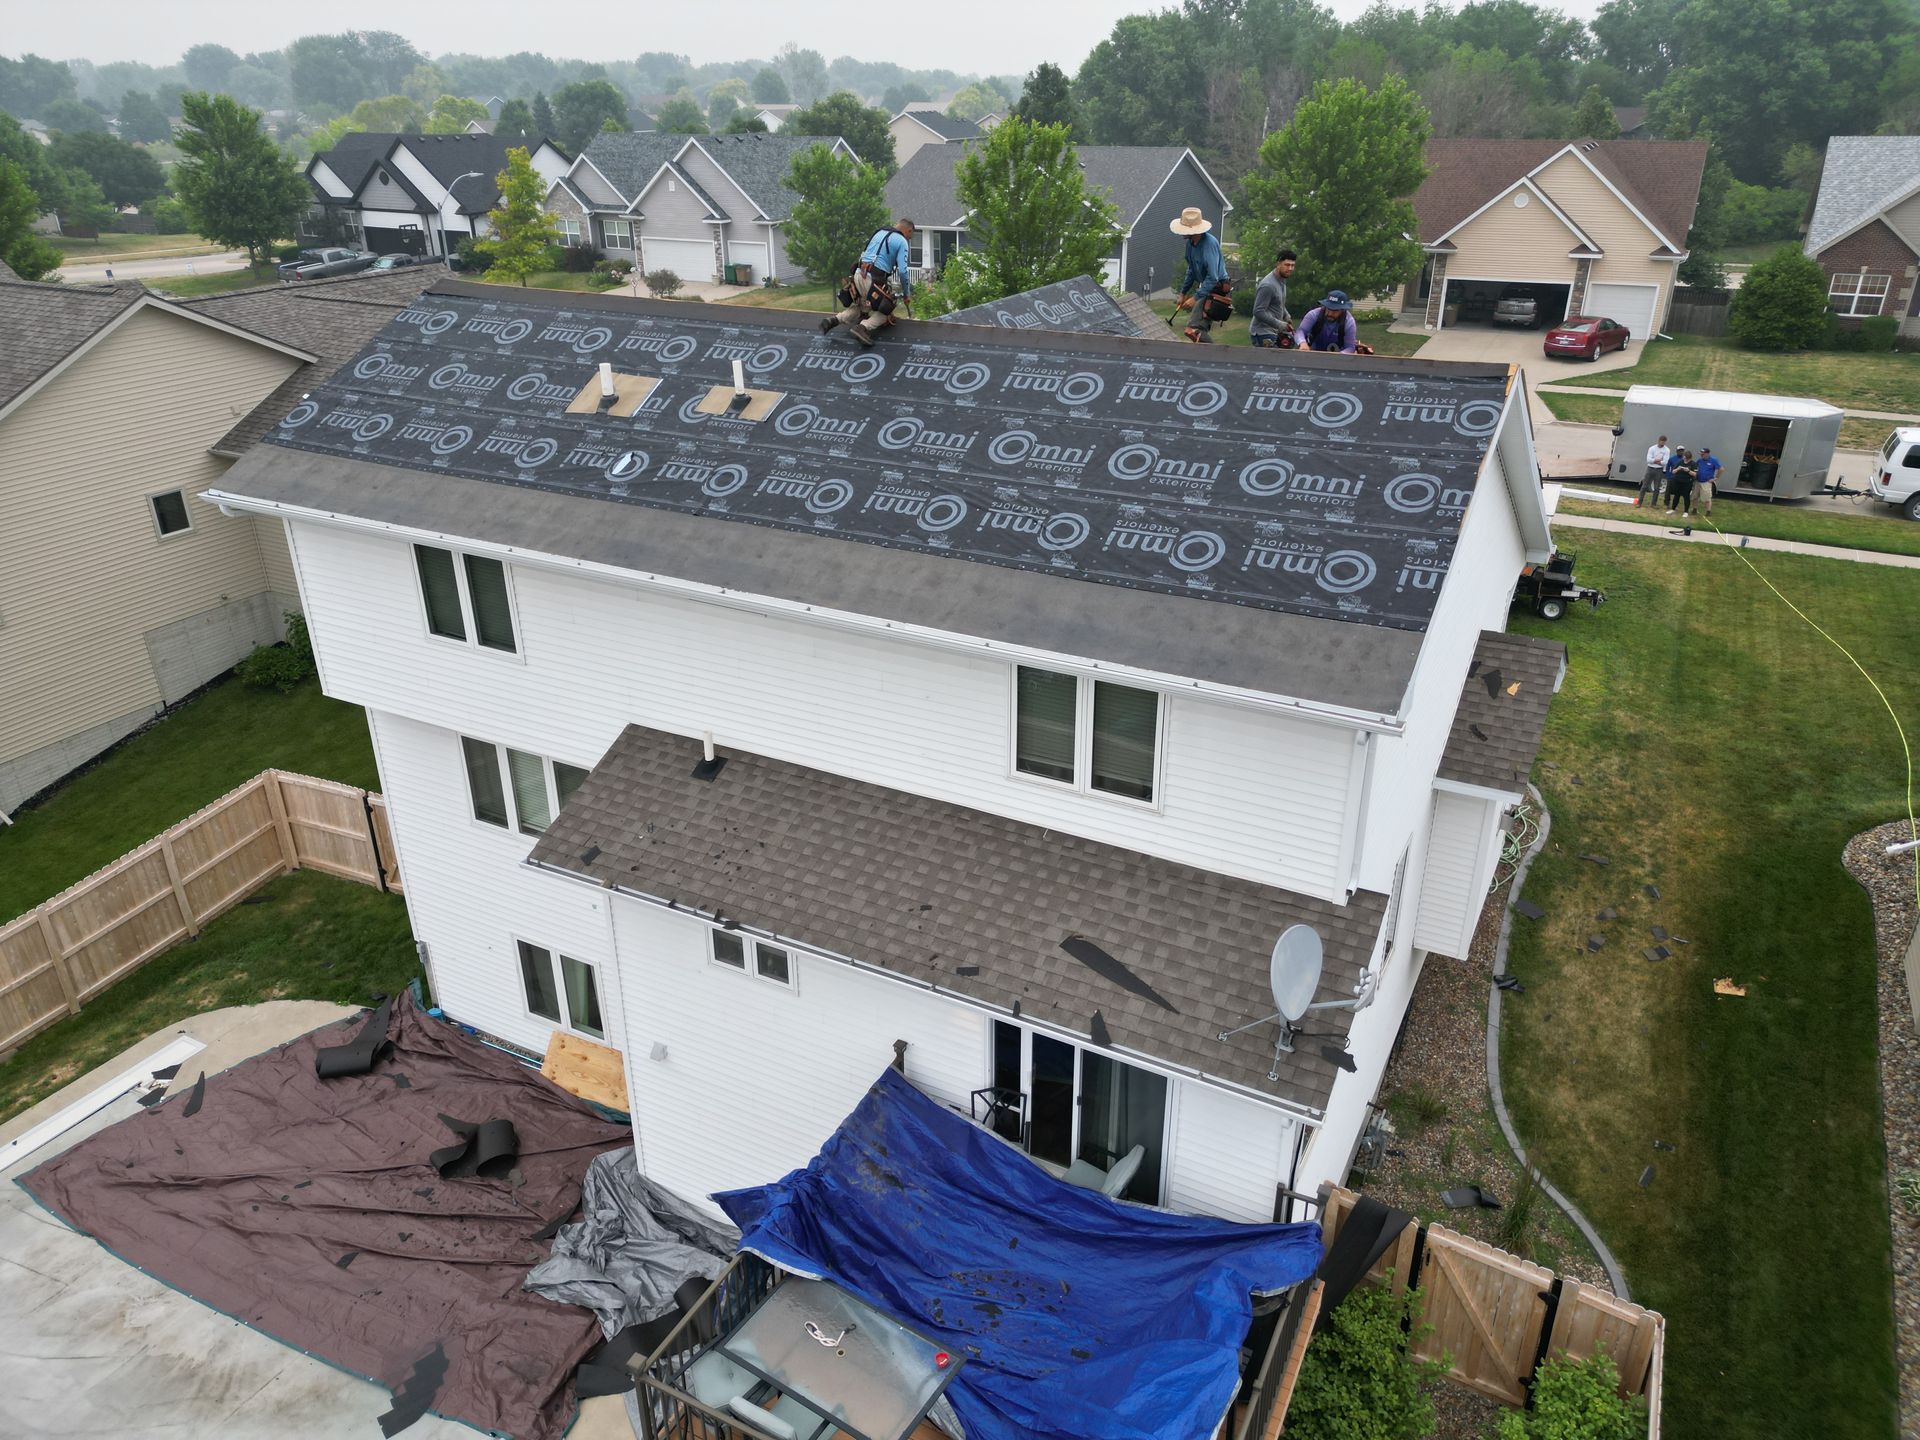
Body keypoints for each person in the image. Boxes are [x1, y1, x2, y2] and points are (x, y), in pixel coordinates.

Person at [822, 218, 915, 347]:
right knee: (886, 311)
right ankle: (862, 328)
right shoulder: (902, 241)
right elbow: (903, 272)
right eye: (910, 235)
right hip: (874, 279)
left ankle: (835, 320)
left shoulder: (879, 232)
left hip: (858, 274)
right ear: (908, 230)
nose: (909, 239)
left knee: (863, 307)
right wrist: (906, 294)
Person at [1170, 205, 1229, 342]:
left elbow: (1213, 277)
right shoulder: (1191, 244)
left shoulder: (1209, 245)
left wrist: (1195, 297)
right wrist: (1183, 293)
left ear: (1193, 230)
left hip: (1217, 289)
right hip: (1207, 289)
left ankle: (1214, 356)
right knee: (1193, 331)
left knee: (1194, 330)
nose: (1181, 232)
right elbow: (1191, 270)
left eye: (1184, 229)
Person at [1294, 291, 1374, 354]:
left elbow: (1350, 347)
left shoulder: (1349, 322)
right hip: (1311, 354)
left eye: (1335, 310)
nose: (1330, 313)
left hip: (1337, 358)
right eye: (1328, 309)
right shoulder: (1313, 314)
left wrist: (1339, 356)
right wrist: (1302, 343)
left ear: (1342, 310)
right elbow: (1300, 331)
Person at [1249, 250, 1297, 348]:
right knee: (1272, 362)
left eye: (1293, 265)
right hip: (1262, 333)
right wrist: (1280, 324)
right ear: (1278, 264)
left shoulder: (1281, 280)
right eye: (1287, 265)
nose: (1290, 268)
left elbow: (1279, 303)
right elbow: (1258, 311)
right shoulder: (1268, 285)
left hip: (1273, 331)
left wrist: (1287, 316)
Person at [1637, 435, 1670, 507]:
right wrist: (1657, 460)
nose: (1662, 443)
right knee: (1644, 486)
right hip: (1650, 468)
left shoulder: (1666, 450)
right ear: (1658, 441)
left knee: (1657, 487)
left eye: (1664, 442)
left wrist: (1655, 461)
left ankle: (1653, 504)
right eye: (1661, 442)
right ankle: (1639, 502)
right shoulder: (1652, 448)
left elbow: (1665, 462)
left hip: (1659, 470)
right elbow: (1648, 460)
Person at [1665, 448, 1696, 516]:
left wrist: (1688, 471)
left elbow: (1695, 474)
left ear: (1690, 458)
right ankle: (1673, 509)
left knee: (1686, 497)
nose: (1686, 460)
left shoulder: (1693, 463)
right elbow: (1673, 471)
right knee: (1676, 495)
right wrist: (1678, 469)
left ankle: (1686, 512)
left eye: (1687, 459)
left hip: (1687, 482)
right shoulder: (1680, 462)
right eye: (1685, 458)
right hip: (1677, 481)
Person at [1693, 447, 1722, 517]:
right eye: (1701, 454)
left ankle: (1708, 511)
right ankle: (1694, 509)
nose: (1701, 455)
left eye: (1702, 454)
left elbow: (1721, 469)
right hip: (1697, 481)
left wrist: (1715, 478)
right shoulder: (1699, 460)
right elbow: (1695, 468)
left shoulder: (1713, 460)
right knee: (1695, 496)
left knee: (1707, 498)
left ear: (1707, 454)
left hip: (1706, 482)